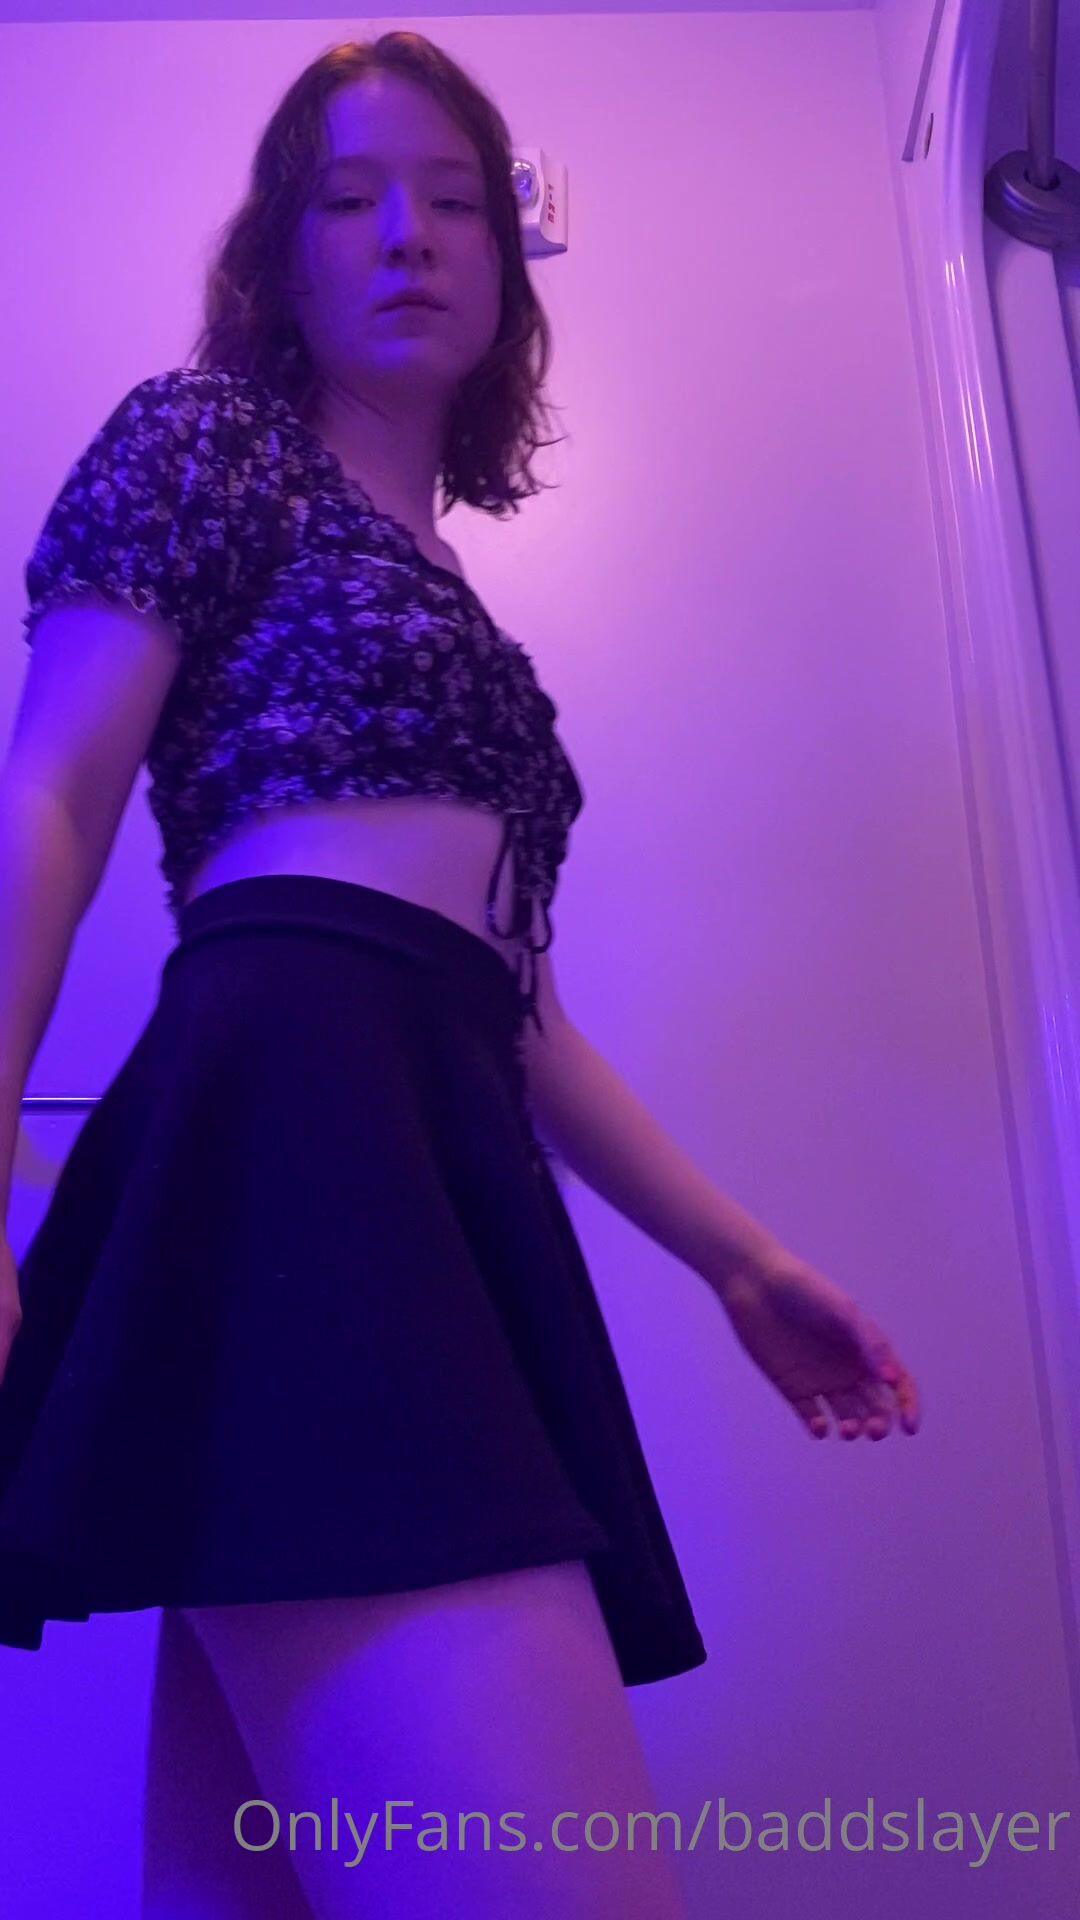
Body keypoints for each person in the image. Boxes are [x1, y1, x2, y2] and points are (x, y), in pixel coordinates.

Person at [0, 33, 920, 1920]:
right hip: (302, 1143)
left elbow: (521, 1011)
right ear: (281, 256)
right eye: (350, 199)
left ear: (506, 265)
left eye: (453, 201)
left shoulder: (448, 590)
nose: (408, 234)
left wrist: (743, 1264)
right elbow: (55, 793)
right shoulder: (207, 444)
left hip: (428, 1150)